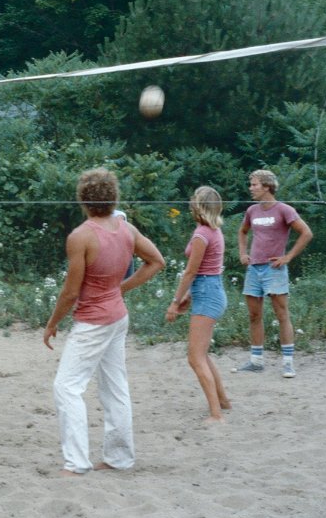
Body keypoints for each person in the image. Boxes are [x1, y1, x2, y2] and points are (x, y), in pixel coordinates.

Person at [43, 168, 164, 476]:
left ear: (83, 199)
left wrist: (53, 322)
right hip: (116, 317)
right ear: (114, 197)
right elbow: (157, 262)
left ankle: (76, 463)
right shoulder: (126, 228)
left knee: (66, 387)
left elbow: (71, 291)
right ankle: (119, 459)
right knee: (115, 387)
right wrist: (120, 290)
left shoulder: (81, 236)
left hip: (94, 322)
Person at [234, 170, 313, 378]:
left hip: (274, 269)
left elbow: (306, 233)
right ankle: (256, 360)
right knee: (254, 315)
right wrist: (243, 253)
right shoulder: (252, 211)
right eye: (251, 184)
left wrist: (288, 257)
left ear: (267, 186)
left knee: (281, 314)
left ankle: (288, 363)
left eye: (254, 184)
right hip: (254, 269)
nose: (251, 188)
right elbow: (242, 232)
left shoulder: (284, 210)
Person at [165, 186, 231, 422]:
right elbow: (207, 271)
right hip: (209, 290)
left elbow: (192, 271)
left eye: (194, 201)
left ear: (199, 206)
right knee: (201, 354)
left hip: (207, 293)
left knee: (195, 358)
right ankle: (222, 402)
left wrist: (175, 302)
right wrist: (189, 297)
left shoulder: (203, 234)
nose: (190, 204)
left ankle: (216, 415)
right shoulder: (212, 230)